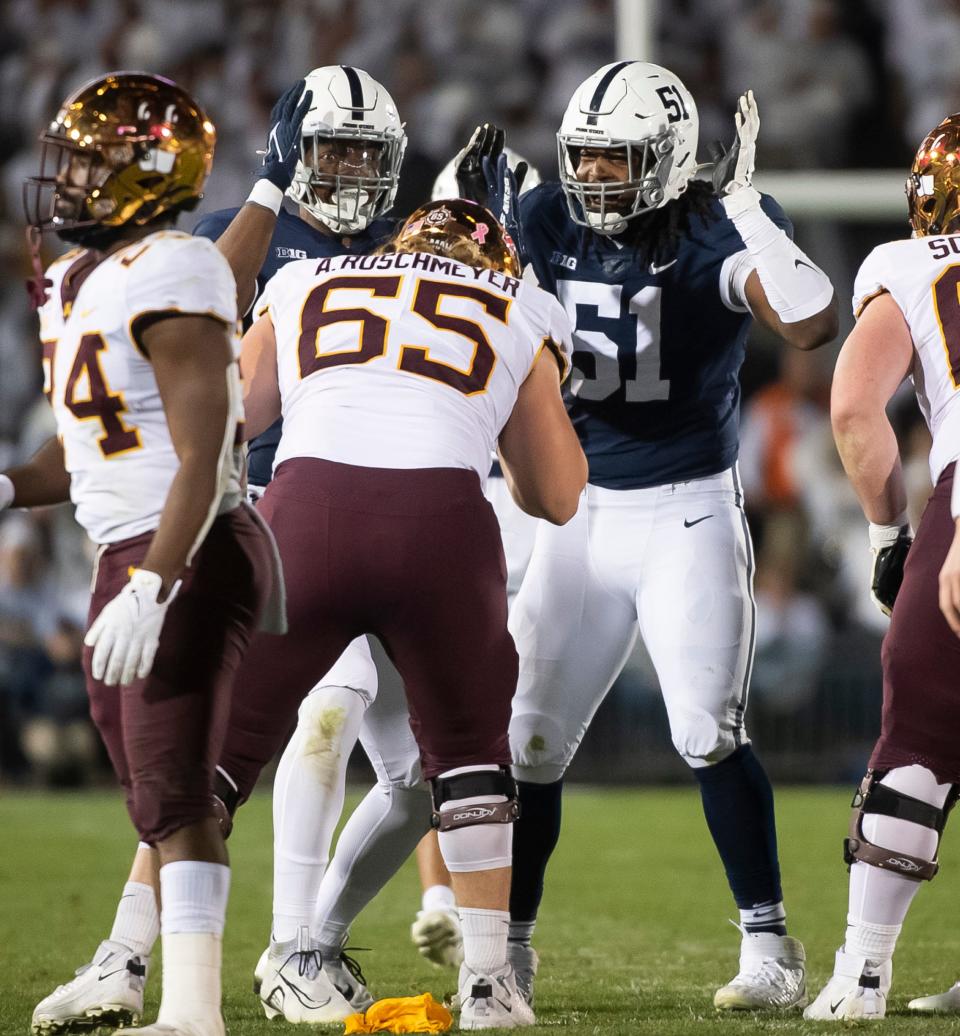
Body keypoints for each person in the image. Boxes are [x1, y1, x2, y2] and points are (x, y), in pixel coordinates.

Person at [28, 65, 419, 1033]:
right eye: (329, 146)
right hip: (243, 506)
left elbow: (211, 429)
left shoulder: (386, 245)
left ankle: (295, 946)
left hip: (306, 509)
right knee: (197, 766)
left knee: (355, 754)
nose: (349, 168)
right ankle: (131, 956)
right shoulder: (144, 262)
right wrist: (269, 188)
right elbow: (127, 416)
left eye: (365, 151)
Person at [464, 61, 837, 1010]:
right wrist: (472, 220)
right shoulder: (543, 217)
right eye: (583, 159)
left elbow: (808, 321)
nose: (594, 180)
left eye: (616, 162)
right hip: (574, 509)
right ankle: (509, 951)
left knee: (707, 729)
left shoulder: (719, 222)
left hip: (686, 507)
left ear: (668, 162)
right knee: (530, 742)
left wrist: (751, 210)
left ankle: (770, 947)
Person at [223, 196, 587, 1027]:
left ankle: (150, 964)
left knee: (214, 755)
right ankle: (490, 984)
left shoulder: (306, 275)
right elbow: (558, 497)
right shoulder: (517, 303)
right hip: (441, 526)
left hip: (303, 510)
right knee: (466, 761)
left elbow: (232, 418)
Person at [9, 72, 277, 1036]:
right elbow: (82, 446)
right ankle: (159, 990)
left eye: (91, 159)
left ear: (151, 171)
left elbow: (205, 457)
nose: (69, 176)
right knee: (152, 793)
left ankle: (192, 1012)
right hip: (127, 548)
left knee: (175, 788)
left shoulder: (176, 267)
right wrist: (6, 486)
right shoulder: (80, 282)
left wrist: (158, 581)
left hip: (185, 547)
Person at [803, 113, 960, 1021]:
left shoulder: (909, 264)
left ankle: (862, 972)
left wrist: (890, 534)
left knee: (924, 739)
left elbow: (858, 412)